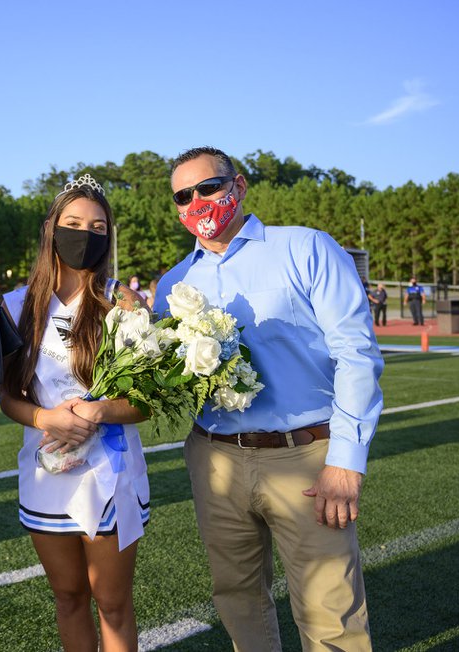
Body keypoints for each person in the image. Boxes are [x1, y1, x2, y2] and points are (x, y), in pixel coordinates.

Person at [154, 146, 383, 651]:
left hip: (304, 455)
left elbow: (358, 354)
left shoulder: (305, 248)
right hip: (214, 457)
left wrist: (345, 460)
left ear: (237, 186)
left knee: (331, 612)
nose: (198, 201)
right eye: (183, 195)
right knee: (237, 599)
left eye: (208, 187)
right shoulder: (172, 284)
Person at [0, 174, 151, 652]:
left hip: (110, 473)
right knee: (67, 597)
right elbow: (8, 398)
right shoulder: (16, 305)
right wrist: (47, 419)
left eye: (98, 226)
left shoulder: (122, 303)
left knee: (112, 603)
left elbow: (144, 403)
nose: (85, 234)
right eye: (73, 223)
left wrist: (97, 410)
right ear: (51, 228)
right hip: (46, 473)